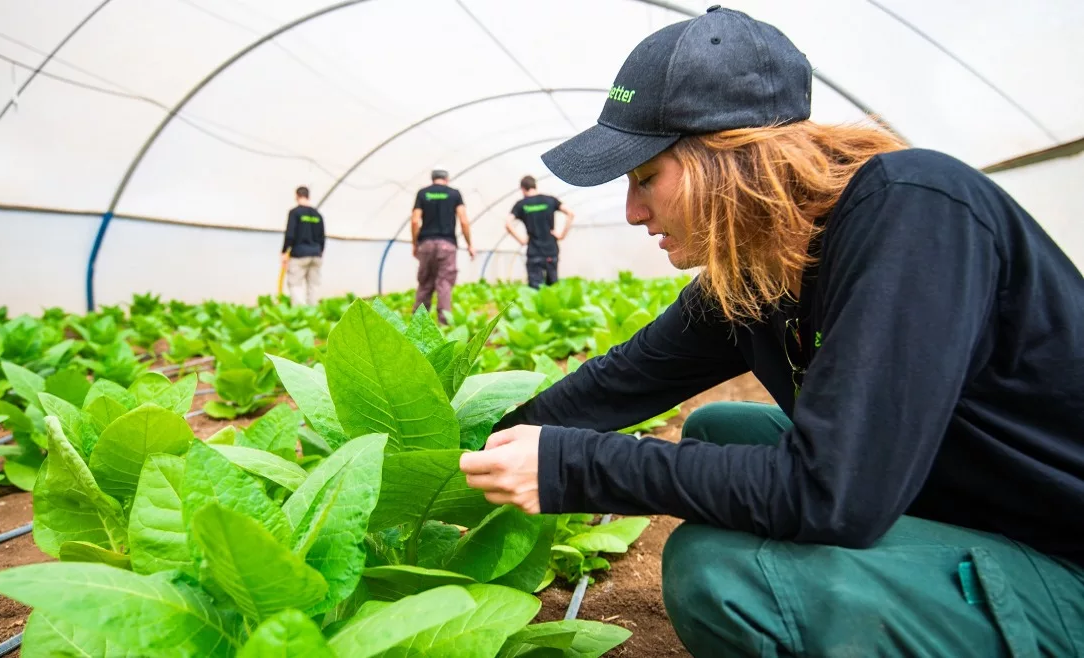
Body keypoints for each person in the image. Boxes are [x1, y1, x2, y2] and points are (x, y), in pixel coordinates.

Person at [459, 6, 1084, 657]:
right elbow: (620, 381)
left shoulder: (915, 210)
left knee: (724, 572)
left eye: (647, 177)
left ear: (735, 158)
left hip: (1062, 555)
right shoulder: (763, 264)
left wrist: (572, 469)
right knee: (721, 430)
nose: (633, 210)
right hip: (967, 502)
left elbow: (834, 495)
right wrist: (465, 446)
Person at [412, 169, 475, 322]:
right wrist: (469, 244)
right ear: (447, 179)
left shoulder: (423, 193)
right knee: (444, 284)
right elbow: (464, 220)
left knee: (425, 283)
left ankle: (418, 324)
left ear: (432, 178)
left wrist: (415, 244)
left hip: (426, 244)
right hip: (447, 245)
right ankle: (445, 324)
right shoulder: (454, 194)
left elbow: (415, 221)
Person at [505, 175, 575, 288]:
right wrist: (562, 235)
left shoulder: (521, 204)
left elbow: (508, 223)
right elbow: (570, 213)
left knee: (535, 289)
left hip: (534, 252)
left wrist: (522, 240)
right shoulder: (550, 200)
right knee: (553, 289)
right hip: (551, 251)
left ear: (523, 188)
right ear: (534, 186)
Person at [280, 186, 325, 306]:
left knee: (295, 284)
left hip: (299, 255)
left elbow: (290, 235)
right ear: (308, 196)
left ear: (297, 196)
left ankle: (301, 314)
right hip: (316, 254)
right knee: (313, 285)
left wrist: (284, 252)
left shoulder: (295, 213)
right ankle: (313, 312)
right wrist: (319, 252)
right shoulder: (317, 215)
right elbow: (322, 238)